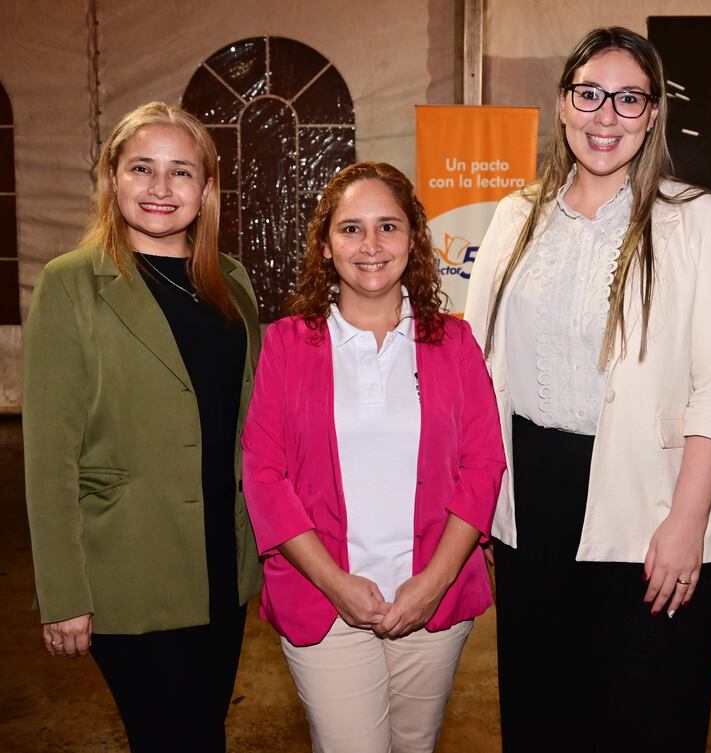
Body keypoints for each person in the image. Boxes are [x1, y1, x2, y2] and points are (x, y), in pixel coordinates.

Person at [464, 27, 711, 753]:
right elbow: (477, 371)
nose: (606, 116)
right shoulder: (514, 217)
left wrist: (687, 521)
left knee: (644, 718)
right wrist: (484, 505)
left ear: (652, 114)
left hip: (650, 504)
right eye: (589, 94)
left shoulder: (694, 220)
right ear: (563, 104)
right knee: (541, 713)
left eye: (629, 99)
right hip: (530, 502)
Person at [241, 162, 505, 753]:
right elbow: (264, 474)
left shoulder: (454, 343)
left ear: (413, 239)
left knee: (415, 744)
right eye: (351, 228)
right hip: (324, 599)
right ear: (326, 244)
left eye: (388, 226)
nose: (370, 246)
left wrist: (432, 584)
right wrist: (335, 584)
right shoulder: (287, 343)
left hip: (430, 600)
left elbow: (483, 466)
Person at [23, 102, 261, 753]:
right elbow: (48, 455)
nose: (161, 188)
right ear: (112, 179)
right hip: (129, 574)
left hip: (221, 570)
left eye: (181, 171)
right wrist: (63, 593)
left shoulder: (231, 283)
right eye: (142, 168)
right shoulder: (71, 284)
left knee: (202, 732)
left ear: (207, 188)